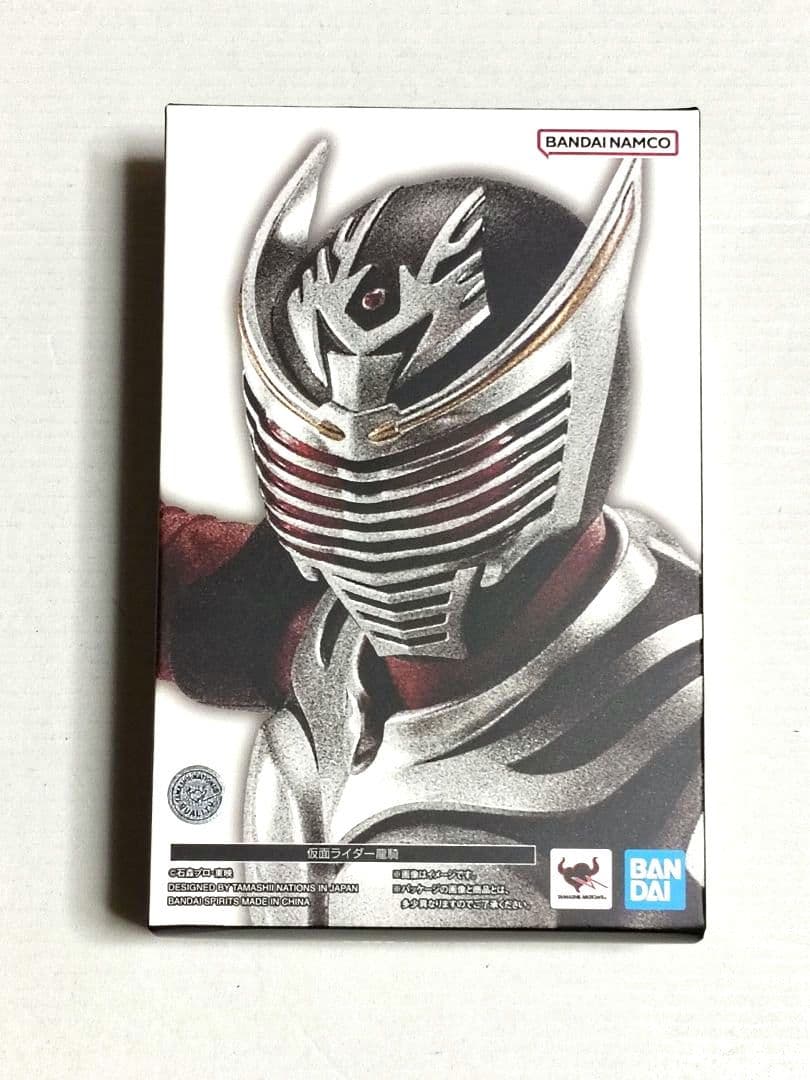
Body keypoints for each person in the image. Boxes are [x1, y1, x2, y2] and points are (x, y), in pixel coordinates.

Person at [158, 144, 703, 928]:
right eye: (313, 466)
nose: (362, 521)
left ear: (575, 433)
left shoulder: (703, 733)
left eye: (440, 466)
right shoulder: (316, 639)